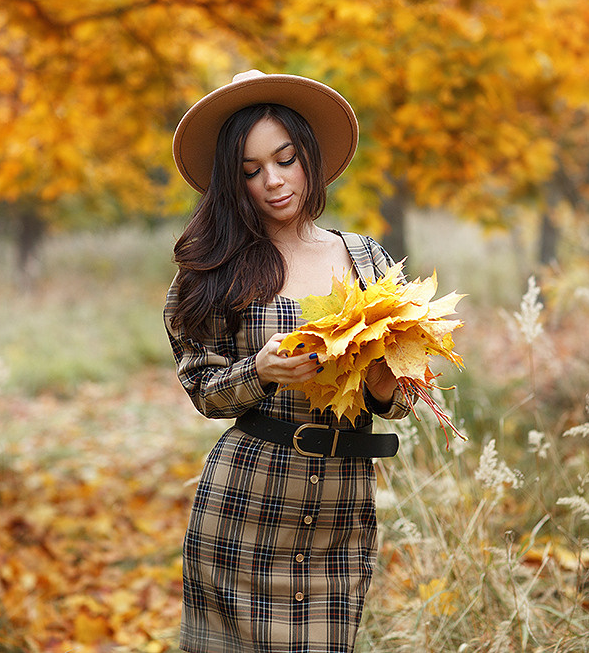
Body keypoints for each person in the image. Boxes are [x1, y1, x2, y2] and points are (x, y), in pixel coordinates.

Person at [164, 70, 417, 653]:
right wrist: (261, 371)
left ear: (310, 156)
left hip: (340, 511)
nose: (273, 182)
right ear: (233, 182)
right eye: (251, 172)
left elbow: (404, 396)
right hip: (243, 509)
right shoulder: (215, 269)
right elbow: (202, 389)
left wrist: (382, 381)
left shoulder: (363, 257)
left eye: (286, 160)